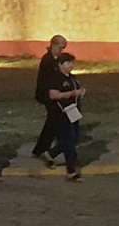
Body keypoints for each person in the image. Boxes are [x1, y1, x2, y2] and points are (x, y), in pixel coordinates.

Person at [46, 53, 85, 182]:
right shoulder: (55, 78)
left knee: (74, 138)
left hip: (73, 112)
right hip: (61, 114)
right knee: (69, 142)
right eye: (67, 63)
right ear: (60, 64)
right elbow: (53, 95)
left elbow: (77, 91)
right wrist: (72, 93)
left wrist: (80, 93)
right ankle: (71, 171)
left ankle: (51, 153)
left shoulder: (73, 78)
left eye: (72, 63)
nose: (71, 66)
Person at [32, 34, 67, 164]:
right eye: (60, 47)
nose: (61, 50)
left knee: (52, 122)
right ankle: (45, 149)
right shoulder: (48, 60)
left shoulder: (54, 59)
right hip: (48, 95)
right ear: (53, 45)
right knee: (53, 122)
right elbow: (49, 79)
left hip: (51, 94)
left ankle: (40, 149)